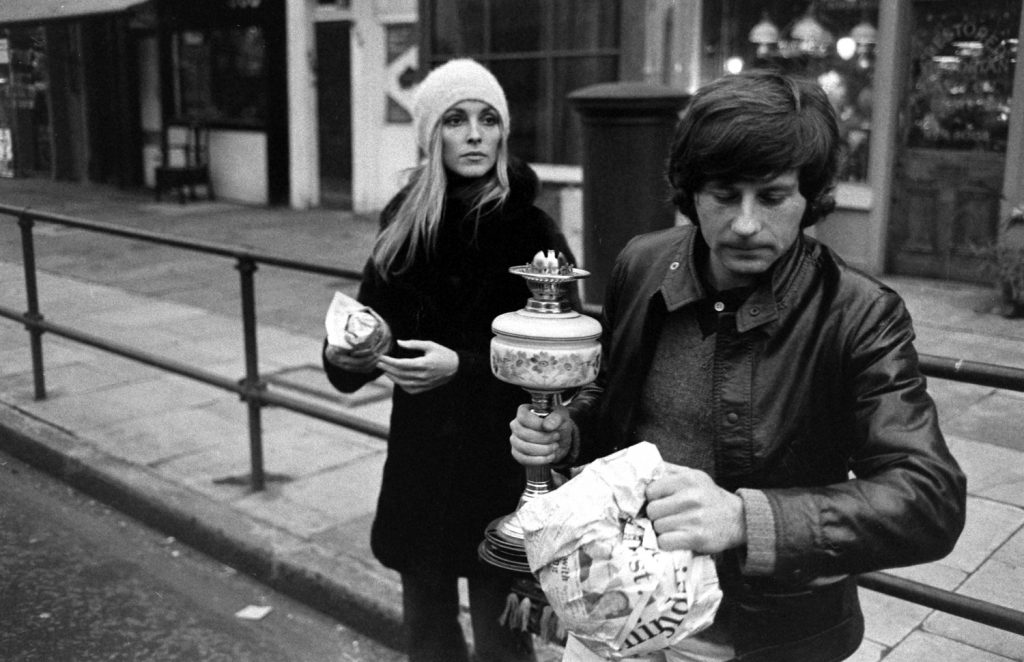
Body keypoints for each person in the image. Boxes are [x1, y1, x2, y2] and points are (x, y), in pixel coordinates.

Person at [508, 69, 966, 662]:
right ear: (691, 192)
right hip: (615, 609)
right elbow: (613, 408)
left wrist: (747, 519)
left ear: (810, 197)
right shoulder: (643, 264)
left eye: (772, 197)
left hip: (755, 637)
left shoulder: (859, 313)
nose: (746, 223)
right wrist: (569, 432)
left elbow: (929, 499)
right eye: (724, 196)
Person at [323, 58, 575, 662]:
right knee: (429, 642)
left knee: (503, 648)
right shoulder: (403, 225)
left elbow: (566, 367)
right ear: (430, 135)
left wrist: (460, 367)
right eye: (456, 120)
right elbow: (359, 344)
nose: (475, 134)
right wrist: (350, 348)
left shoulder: (533, 232)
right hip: (423, 469)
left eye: (488, 120)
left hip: (503, 474)